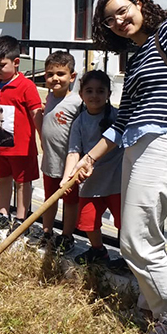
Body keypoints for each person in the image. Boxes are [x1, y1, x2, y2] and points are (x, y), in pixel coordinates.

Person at [69, 0, 167, 334]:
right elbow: (121, 125)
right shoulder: (138, 56)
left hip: (166, 142)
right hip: (137, 146)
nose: (119, 21)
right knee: (144, 236)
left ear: (139, 4)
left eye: (122, 11)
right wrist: (88, 158)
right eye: (109, 20)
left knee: (135, 238)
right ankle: (149, 308)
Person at [63, 70, 122, 266]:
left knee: (125, 224)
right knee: (88, 222)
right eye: (89, 91)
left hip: (117, 181)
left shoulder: (117, 117)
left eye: (100, 91)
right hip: (91, 181)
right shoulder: (79, 121)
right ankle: (98, 250)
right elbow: (73, 152)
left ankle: (131, 259)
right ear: (81, 95)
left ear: (108, 94)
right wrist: (67, 178)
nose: (94, 95)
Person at [0, 35, 43, 232]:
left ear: (16, 63)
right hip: (0, 145)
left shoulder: (26, 86)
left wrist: (42, 137)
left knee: (22, 182)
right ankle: (2, 212)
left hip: (21, 147)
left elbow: (35, 112)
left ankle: (21, 218)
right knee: (2, 179)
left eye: (1, 65)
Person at [35, 51, 82, 251]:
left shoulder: (77, 103)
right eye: (50, 74)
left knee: (70, 202)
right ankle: (47, 231)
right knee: (49, 199)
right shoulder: (49, 98)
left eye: (61, 74)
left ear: (72, 76)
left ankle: (67, 235)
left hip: (68, 164)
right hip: (50, 161)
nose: (55, 78)